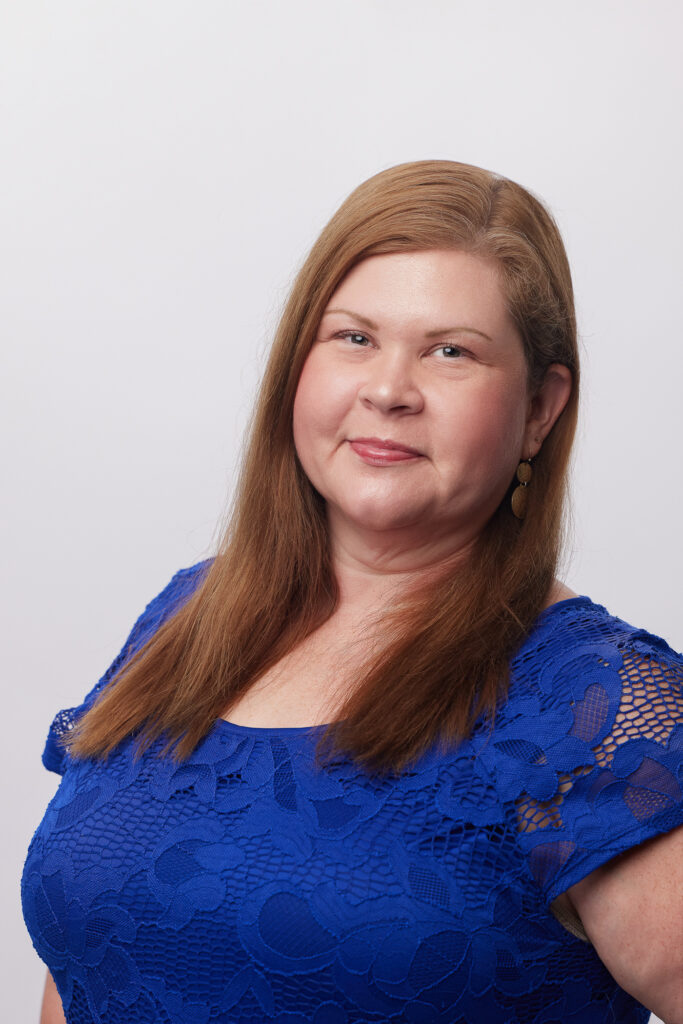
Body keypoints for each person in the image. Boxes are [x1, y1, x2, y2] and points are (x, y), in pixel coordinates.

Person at [22, 160, 683, 1024]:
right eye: (354, 338)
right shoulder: (186, 619)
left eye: (451, 351)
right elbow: (83, 963)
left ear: (538, 410)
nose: (387, 390)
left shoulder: (597, 707)